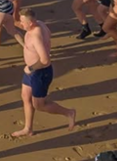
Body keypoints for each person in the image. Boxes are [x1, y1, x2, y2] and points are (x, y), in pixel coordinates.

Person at [9, 7, 78, 137]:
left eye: (23, 22)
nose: (21, 24)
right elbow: (48, 34)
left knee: (39, 105)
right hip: (32, 71)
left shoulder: (36, 36)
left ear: (31, 23)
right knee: (25, 97)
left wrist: (31, 68)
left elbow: (45, 60)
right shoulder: (40, 23)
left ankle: (69, 112)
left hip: (40, 73)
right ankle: (28, 128)